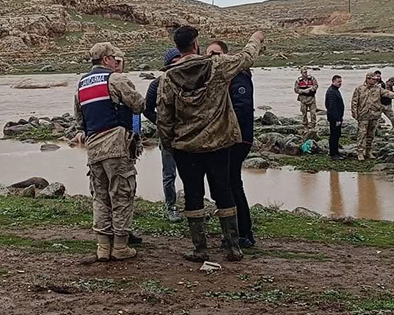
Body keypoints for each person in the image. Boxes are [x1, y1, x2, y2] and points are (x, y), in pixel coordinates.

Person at [157, 26, 264, 262]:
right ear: (196, 44)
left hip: (186, 149)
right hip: (218, 145)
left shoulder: (167, 78)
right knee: (224, 193)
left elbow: (164, 117)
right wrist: (254, 38)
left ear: (178, 48)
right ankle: (233, 247)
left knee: (193, 197)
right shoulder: (217, 65)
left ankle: (200, 249)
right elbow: (246, 58)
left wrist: (169, 146)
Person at [75, 42, 148, 261]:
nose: (117, 62)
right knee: (122, 194)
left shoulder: (81, 84)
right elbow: (138, 105)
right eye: (114, 59)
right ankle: (120, 247)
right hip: (117, 146)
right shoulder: (115, 79)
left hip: (94, 149)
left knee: (100, 196)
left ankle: (102, 247)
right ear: (106, 60)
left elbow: (80, 120)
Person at [206, 40, 256, 248]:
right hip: (223, 139)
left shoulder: (237, 76)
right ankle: (236, 231)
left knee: (232, 185)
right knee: (226, 185)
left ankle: (243, 233)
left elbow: (242, 108)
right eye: (208, 53)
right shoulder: (217, 77)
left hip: (236, 139)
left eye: (216, 53)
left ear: (226, 55)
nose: (212, 57)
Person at [144, 48, 184, 222]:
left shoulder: (189, 81)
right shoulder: (156, 84)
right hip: (167, 136)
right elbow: (146, 109)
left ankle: (194, 206)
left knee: (192, 173)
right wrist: (161, 123)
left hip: (189, 134)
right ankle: (171, 207)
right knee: (169, 174)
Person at [349, 71, 385, 160]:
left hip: (374, 115)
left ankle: (368, 152)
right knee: (362, 134)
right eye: (373, 79)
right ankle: (360, 152)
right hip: (363, 115)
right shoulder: (359, 89)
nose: (375, 81)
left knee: (371, 134)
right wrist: (354, 113)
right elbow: (354, 102)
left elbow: (387, 93)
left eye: (376, 79)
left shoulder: (378, 89)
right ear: (368, 79)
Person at [325, 75, 345, 158]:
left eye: (341, 82)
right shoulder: (331, 92)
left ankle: (336, 152)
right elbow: (331, 107)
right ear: (333, 82)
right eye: (338, 82)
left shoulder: (335, 90)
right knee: (334, 135)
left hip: (337, 117)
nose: (340, 83)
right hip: (334, 118)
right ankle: (333, 154)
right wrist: (337, 119)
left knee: (337, 135)